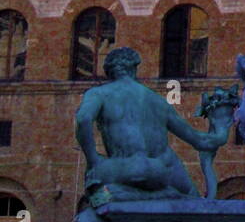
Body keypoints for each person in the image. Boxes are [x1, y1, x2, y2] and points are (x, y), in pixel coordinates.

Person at [74, 47, 228, 202]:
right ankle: (164, 195)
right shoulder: (158, 101)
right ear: (134, 68)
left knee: (94, 185)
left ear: (109, 72)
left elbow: (83, 119)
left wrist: (93, 159)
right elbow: (201, 141)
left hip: (124, 168)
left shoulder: (99, 93)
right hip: (159, 169)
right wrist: (222, 129)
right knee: (192, 198)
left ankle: (123, 194)